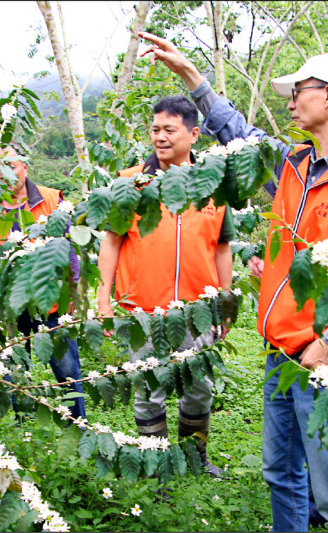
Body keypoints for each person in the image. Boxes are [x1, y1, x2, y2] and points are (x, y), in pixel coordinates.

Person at [138, 32, 328, 531]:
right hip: (280, 354)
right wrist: (191, 77)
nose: (289, 100)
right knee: (281, 476)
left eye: (298, 89)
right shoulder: (295, 165)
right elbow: (236, 132)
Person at [96, 95, 235, 477]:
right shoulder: (130, 182)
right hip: (143, 311)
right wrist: (103, 296)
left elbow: (222, 247)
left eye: (169, 130)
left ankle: (196, 459)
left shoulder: (212, 183)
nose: (159, 137)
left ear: (193, 134)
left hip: (198, 311)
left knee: (199, 389)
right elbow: (111, 240)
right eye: (154, 129)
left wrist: (225, 300)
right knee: (147, 392)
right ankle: (157, 467)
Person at [0, 144, 86, 422]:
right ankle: (24, 430)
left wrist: (74, 286)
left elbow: (71, 247)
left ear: (25, 167)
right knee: (12, 372)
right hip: (9, 308)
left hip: (52, 304)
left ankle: (77, 423)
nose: (5, 174)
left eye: (11, 165)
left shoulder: (51, 200)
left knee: (67, 371)